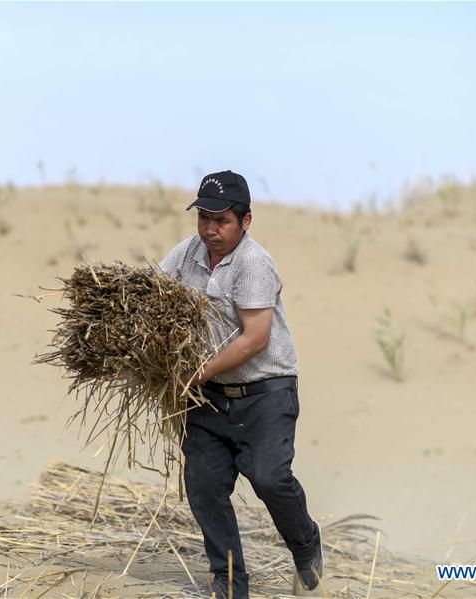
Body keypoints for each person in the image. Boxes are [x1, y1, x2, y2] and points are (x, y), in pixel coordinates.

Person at [158, 170, 323, 598]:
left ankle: (305, 544)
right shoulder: (187, 254)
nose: (211, 229)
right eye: (204, 218)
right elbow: (153, 293)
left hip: (265, 391)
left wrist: (196, 374)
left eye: (222, 220)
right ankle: (229, 582)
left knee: (269, 478)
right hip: (209, 399)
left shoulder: (253, 264)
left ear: (245, 221)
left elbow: (255, 339)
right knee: (204, 485)